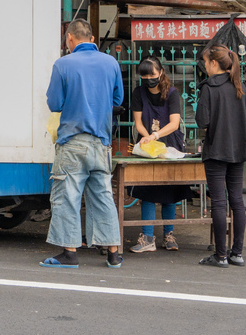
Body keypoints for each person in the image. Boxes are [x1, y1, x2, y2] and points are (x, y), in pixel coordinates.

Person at [40, 18, 125, 269]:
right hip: (101, 143)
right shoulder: (111, 62)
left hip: (73, 143)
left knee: (67, 197)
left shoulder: (63, 64)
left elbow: (54, 104)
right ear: (92, 39)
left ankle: (69, 253)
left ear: (69, 39)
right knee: (103, 197)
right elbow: (118, 99)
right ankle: (113, 253)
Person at [196, 45, 246, 269]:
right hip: (238, 149)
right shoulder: (239, 85)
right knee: (237, 201)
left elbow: (202, 122)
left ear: (214, 64)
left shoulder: (209, 88)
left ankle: (221, 255)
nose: (204, 66)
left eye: (205, 62)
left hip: (216, 151)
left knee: (219, 202)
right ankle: (237, 253)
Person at [129, 57, 194, 253]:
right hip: (148, 145)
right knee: (147, 190)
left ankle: (169, 235)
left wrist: (156, 135)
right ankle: (147, 237)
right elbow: (138, 121)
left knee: (169, 191)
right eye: (145, 75)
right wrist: (147, 137)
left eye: (152, 74)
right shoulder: (138, 92)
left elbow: (174, 123)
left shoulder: (172, 93)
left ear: (161, 73)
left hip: (170, 144)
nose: (148, 78)